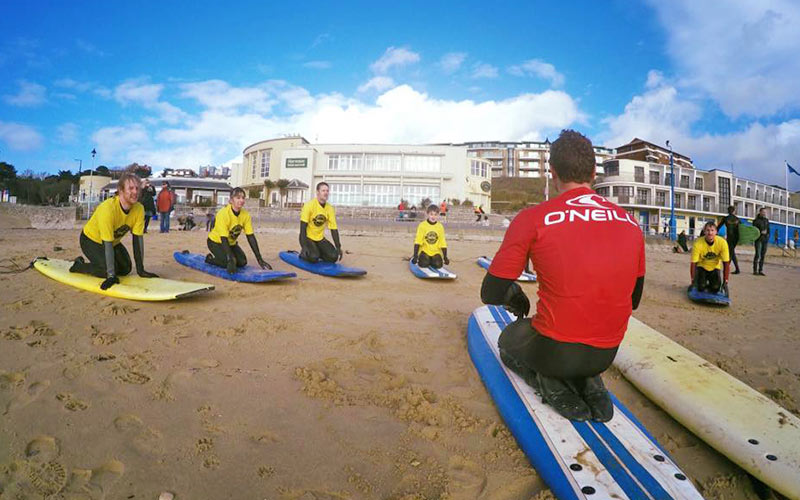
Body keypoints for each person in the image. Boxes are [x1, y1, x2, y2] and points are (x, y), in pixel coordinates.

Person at [480, 129, 645, 423]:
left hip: (556, 352)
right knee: (581, 335)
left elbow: (490, 293)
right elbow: (634, 299)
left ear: (552, 172)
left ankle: (550, 381)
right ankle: (589, 381)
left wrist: (513, 294)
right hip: (605, 355)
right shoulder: (631, 223)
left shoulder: (533, 218)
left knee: (508, 342)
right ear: (594, 173)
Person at [69, 172, 159, 290]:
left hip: (113, 242)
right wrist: (110, 275)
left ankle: (107, 268)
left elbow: (137, 241)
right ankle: (78, 266)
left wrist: (141, 270)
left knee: (125, 269)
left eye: (137, 188)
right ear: (120, 190)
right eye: (131, 188)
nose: (135, 192)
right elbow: (107, 243)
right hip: (90, 240)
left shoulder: (139, 209)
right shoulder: (108, 209)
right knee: (106, 270)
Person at [206, 187, 270, 272]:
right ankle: (209, 259)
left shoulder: (245, 215)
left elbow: (250, 237)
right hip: (215, 242)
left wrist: (259, 259)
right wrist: (230, 259)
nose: (241, 200)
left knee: (242, 262)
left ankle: (229, 258)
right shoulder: (223, 214)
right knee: (227, 262)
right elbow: (223, 238)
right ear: (231, 200)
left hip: (231, 243)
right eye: (238, 198)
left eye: (243, 198)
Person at [299, 182, 342, 263]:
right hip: (307, 238)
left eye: (327, 191)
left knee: (333, 257)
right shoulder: (309, 205)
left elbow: (334, 229)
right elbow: (303, 228)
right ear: (317, 192)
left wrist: (338, 247)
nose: (326, 193)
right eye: (323, 191)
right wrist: (304, 246)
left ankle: (317, 251)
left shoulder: (330, 208)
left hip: (320, 239)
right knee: (313, 257)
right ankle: (304, 254)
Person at [690, 221, 731, 294]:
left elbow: (726, 263)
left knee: (715, 288)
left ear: (716, 232)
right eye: (708, 230)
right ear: (704, 232)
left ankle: (710, 284)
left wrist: (725, 281)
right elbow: (693, 263)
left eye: (712, 230)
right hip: (702, 267)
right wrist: (693, 279)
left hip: (715, 267)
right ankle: (702, 283)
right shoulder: (698, 243)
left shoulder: (722, 243)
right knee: (701, 287)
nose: (710, 233)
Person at [411, 204, 449, 269]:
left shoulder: (440, 227)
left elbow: (443, 243)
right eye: (431, 214)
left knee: (438, 265)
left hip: (436, 252)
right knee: (424, 264)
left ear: (438, 215)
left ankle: (432, 260)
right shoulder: (422, 225)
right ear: (428, 214)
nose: (433, 217)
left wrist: (445, 257)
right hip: (425, 251)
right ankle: (425, 259)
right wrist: (415, 256)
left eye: (435, 214)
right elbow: (418, 241)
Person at [717, 205, 741, 274]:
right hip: (736, 238)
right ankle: (734, 268)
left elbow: (718, 227)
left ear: (728, 211)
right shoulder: (737, 219)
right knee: (731, 252)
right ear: (734, 211)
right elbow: (742, 229)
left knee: (731, 253)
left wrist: (715, 233)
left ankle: (729, 268)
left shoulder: (725, 218)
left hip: (730, 238)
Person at [752, 207, 770, 276]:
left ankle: (760, 270)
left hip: (765, 240)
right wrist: (760, 232)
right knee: (757, 254)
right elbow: (753, 231)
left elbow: (768, 230)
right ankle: (755, 270)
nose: (764, 213)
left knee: (763, 255)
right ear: (760, 212)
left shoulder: (766, 220)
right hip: (758, 239)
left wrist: (767, 235)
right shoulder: (756, 221)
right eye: (763, 212)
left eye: (765, 212)